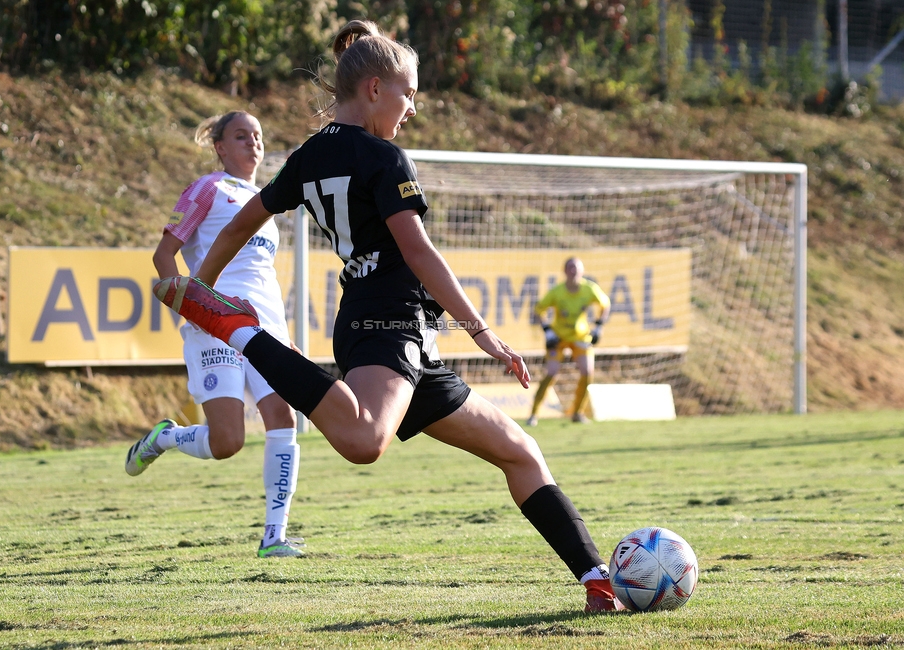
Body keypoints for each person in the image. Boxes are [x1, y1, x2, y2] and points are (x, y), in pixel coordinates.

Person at [152, 20, 623, 611]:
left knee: (520, 452)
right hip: (388, 324)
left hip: (394, 336)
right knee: (365, 440)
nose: (411, 108)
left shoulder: (310, 154)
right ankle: (242, 331)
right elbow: (419, 251)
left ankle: (597, 580)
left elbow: (247, 219)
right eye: (407, 94)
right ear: (373, 88)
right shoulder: (383, 157)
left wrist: (203, 285)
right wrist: (482, 331)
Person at [125, 111, 305, 559]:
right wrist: (194, 308)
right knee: (227, 442)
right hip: (217, 326)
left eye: (258, 136)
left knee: (282, 418)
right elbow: (163, 255)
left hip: (267, 328)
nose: (253, 143)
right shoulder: (208, 189)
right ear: (220, 147)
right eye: (241, 136)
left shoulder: (267, 200)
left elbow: (261, 278)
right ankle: (165, 437)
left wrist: (284, 335)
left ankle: (274, 537)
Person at [527, 257, 611, 427]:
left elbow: (605, 305)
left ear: (582, 271)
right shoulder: (557, 292)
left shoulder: (589, 289)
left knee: (587, 372)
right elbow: (538, 310)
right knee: (551, 373)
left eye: (577, 268)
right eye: (570, 268)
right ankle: (533, 414)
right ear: (565, 271)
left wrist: (599, 327)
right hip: (558, 337)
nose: (574, 271)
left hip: (580, 337)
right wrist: (547, 331)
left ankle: (577, 413)